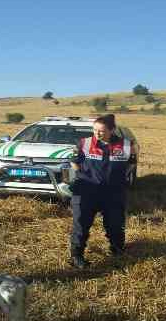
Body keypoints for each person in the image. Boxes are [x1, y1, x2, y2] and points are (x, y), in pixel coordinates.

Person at [69, 114, 136, 268]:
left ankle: (117, 251)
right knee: (81, 224)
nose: (97, 133)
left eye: (101, 131)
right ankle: (76, 256)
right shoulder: (84, 143)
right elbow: (74, 162)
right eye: (94, 130)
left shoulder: (126, 145)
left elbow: (131, 164)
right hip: (87, 191)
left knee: (115, 224)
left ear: (112, 130)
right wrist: (84, 176)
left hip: (113, 193)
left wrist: (117, 178)